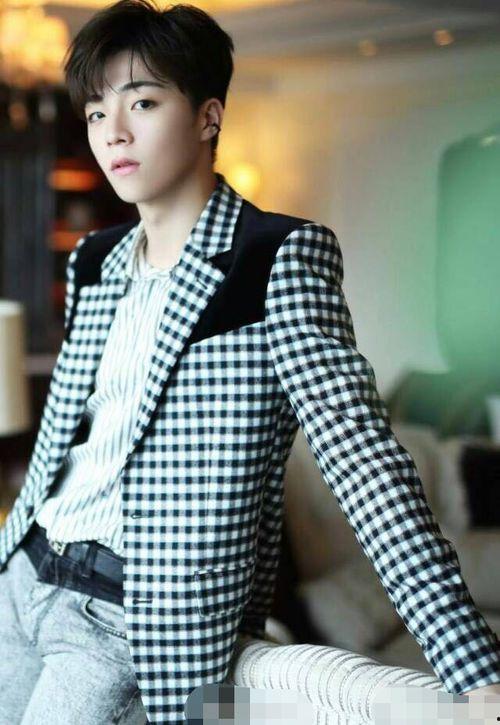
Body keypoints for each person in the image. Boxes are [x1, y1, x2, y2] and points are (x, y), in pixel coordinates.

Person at [0, 1, 498, 723]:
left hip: (123, 615)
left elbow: (363, 464)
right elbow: (79, 436)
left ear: (208, 117)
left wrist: (472, 666)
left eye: (142, 102)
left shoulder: (276, 258)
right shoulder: (94, 260)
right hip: (25, 574)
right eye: (96, 112)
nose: (113, 132)